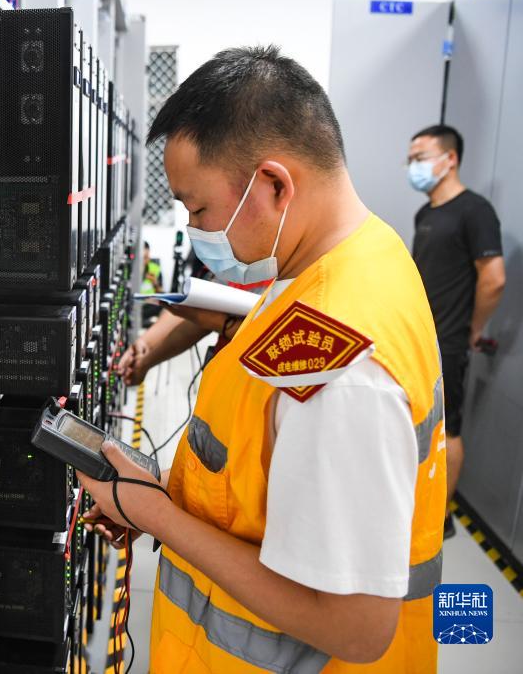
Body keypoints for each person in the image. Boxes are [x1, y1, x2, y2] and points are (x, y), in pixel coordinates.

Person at [79, 46, 446, 672]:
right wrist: (165, 499)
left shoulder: (341, 370)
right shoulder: (354, 257)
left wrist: (156, 515)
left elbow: (356, 629)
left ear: (274, 185)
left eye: (199, 209)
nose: (195, 230)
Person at [408, 125, 505, 539]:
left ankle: (439, 518)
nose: (413, 166)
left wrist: (473, 329)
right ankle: (418, 507)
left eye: (421, 157)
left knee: (448, 430)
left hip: (449, 341)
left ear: (450, 159)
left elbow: (494, 278)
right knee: (418, 424)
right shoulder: (426, 214)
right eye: (410, 159)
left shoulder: (475, 211)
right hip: (418, 337)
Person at [140, 241, 165, 324]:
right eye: (143, 258)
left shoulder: (154, 269)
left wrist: (155, 283)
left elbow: (161, 293)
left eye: (147, 257)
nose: (146, 261)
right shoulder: (131, 269)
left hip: (148, 305)